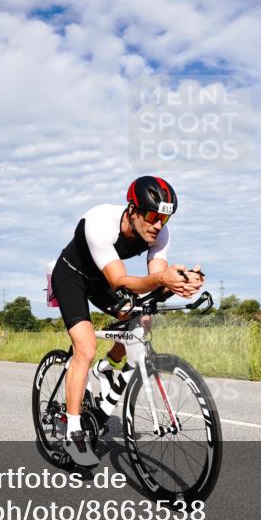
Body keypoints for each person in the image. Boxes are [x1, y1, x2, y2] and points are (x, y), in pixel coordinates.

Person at [50, 176, 204, 466]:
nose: (158, 225)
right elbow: (120, 280)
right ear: (133, 210)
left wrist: (181, 283)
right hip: (71, 277)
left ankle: (107, 367)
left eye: (165, 218)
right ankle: (73, 430)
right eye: (152, 216)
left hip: (101, 280)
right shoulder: (99, 222)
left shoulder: (161, 234)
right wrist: (163, 279)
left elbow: (155, 282)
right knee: (85, 346)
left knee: (142, 317)